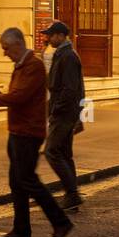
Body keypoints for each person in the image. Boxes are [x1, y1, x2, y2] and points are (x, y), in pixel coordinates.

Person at [0, 27, 73, 237]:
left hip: (28, 132)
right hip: (17, 131)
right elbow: (16, 94)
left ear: (17, 44)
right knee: (17, 182)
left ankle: (60, 222)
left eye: (6, 48)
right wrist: (0, 96)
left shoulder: (33, 66)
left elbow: (20, 96)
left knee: (28, 180)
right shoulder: (21, 65)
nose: (4, 53)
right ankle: (21, 229)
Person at [42, 21, 85, 211]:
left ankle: (72, 193)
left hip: (64, 113)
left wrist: (57, 110)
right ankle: (71, 194)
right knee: (65, 154)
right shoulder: (64, 54)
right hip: (67, 112)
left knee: (52, 151)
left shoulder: (67, 56)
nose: (47, 38)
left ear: (60, 36)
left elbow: (71, 89)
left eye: (50, 35)